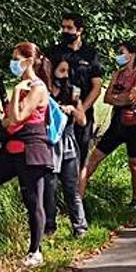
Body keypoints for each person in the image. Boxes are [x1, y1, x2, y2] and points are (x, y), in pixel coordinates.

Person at [0, 42, 54, 268]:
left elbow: (17, 118)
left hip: (32, 149)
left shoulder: (37, 88)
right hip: (12, 149)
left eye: (16, 58)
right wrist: (10, 116)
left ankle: (35, 250)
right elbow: (7, 120)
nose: (13, 63)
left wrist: (17, 94)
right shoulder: (22, 85)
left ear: (29, 61)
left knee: (32, 200)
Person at [79, 40, 136, 210]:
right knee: (94, 156)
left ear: (131, 54)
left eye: (122, 51)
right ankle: (77, 197)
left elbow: (132, 96)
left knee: (135, 162)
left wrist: (119, 98)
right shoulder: (117, 73)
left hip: (135, 124)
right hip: (117, 123)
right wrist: (122, 98)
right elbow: (107, 98)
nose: (118, 55)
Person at [47, 13, 105, 159]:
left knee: (81, 153)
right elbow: (47, 80)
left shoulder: (90, 54)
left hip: (83, 111)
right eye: (63, 27)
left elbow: (97, 86)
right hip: (58, 110)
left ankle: (79, 181)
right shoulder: (55, 51)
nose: (65, 31)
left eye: (69, 28)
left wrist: (81, 111)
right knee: (55, 154)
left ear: (79, 30)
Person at [45, 59, 88, 238]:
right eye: (61, 70)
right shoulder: (43, 92)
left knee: (71, 187)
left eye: (67, 71)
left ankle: (80, 227)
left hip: (67, 142)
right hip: (49, 143)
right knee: (49, 188)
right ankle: (49, 227)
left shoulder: (73, 91)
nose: (64, 74)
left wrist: (72, 109)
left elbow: (83, 120)